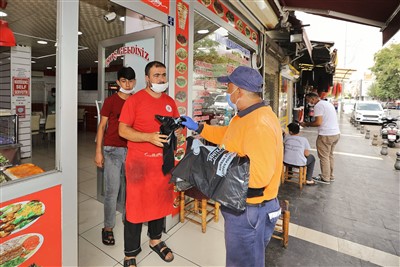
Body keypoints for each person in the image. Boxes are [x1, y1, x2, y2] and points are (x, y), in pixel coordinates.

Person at [181, 66, 283, 267]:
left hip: (250, 209)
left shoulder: (258, 123)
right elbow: (227, 135)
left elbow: (258, 177)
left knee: (243, 263)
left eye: (228, 86)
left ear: (239, 90)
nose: (227, 91)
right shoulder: (245, 116)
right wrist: (199, 127)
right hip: (245, 206)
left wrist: (214, 169)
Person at [119, 61, 180, 267]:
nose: (161, 79)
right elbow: (123, 130)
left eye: (163, 75)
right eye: (156, 75)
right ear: (147, 78)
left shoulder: (170, 102)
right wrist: (148, 137)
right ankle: (130, 253)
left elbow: (175, 127)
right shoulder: (134, 101)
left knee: (159, 202)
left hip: (163, 165)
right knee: (135, 207)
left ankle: (155, 240)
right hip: (139, 165)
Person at [95, 67, 136, 246]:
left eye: (130, 81)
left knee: (130, 188)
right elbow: (102, 126)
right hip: (112, 150)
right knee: (113, 190)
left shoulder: (136, 101)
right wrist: (98, 151)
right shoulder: (110, 101)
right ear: (118, 82)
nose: (128, 84)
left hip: (132, 149)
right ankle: (108, 227)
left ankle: (128, 218)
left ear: (134, 82)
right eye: (124, 81)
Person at [300, 92, 340, 184]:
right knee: (330, 155)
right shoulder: (327, 103)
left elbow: (318, 122)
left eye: (308, 100)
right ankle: (330, 176)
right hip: (335, 133)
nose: (307, 102)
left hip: (326, 135)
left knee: (324, 157)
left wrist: (307, 124)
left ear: (313, 99)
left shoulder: (318, 106)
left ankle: (325, 178)